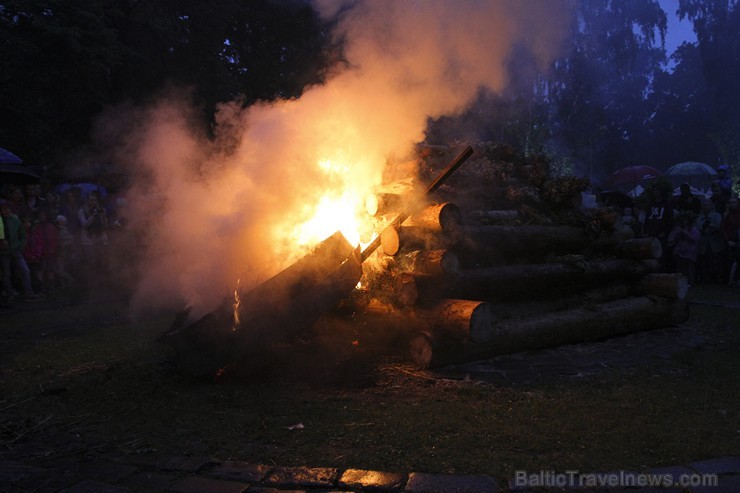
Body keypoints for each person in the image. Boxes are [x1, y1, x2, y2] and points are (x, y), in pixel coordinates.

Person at [0, 198, 42, 301]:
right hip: (3, 252)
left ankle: (29, 292)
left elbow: (22, 235)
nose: (6, 211)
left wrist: (20, 246)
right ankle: (10, 294)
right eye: (3, 209)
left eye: (7, 208)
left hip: (15, 250)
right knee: (6, 274)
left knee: (25, 270)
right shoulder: (1, 221)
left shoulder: (15, 220)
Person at [642, 184, 674, 269]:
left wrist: (665, 232)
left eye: (658, 190)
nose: (656, 192)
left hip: (661, 236)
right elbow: (647, 218)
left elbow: (670, 221)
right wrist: (645, 231)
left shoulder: (667, 204)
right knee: (651, 255)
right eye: (654, 190)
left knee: (661, 256)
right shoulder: (651, 205)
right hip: (650, 235)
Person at [695, 198, 725, 283]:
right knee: (703, 261)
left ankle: (716, 279)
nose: (705, 207)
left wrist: (710, 228)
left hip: (714, 243)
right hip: (702, 243)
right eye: (704, 205)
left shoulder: (716, 215)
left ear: (711, 206)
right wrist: (703, 228)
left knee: (715, 261)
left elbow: (718, 225)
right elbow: (697, 226)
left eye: (707, 205)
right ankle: (704, 278)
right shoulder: (699, 216)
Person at [667, 212, 700, 286]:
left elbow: (693, 240)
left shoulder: (694, 230)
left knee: (689, 269)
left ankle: (690, 282)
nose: (685, 221)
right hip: (680, 251)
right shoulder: (680, 229)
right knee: (681, 269)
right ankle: (681, 282)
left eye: (686, 220)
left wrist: (685, 233)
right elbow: (674, 238)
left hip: (690, 252)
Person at [722, 196, 740, 285]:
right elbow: (724, 228)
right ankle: (729, 280)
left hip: (738, 240)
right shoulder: (726, 214)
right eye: (731, 203)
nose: (732, 204)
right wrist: (728, 240)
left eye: (734, 202)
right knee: (729, 260)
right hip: (729, 240)